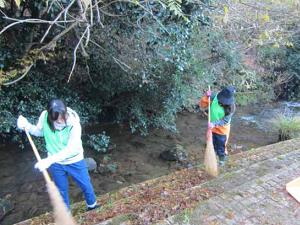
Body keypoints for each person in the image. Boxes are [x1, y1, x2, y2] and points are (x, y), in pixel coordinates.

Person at [17, 99, 99, 211]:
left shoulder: (74, 124)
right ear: (50, 117)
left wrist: (48, 160)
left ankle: (92, 206)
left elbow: (71, 149)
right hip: (56, 163)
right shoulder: (44, 116)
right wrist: (27, 126)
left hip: (74, 160)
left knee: (85, 184)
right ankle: (66, 215)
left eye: (62, 117)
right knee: (61, 190)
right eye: (57, 119)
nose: (60, 121)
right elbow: (40, 132)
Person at [199, 86, 236, 166]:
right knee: (212, 144)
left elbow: (225, 121)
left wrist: (214, 124)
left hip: (222, 130)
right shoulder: (215, 96)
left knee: (221, 147)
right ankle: (213, 156)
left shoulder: (231, 107)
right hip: (212, 128)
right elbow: (202, 105)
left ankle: (222, 160)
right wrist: (206, 96)